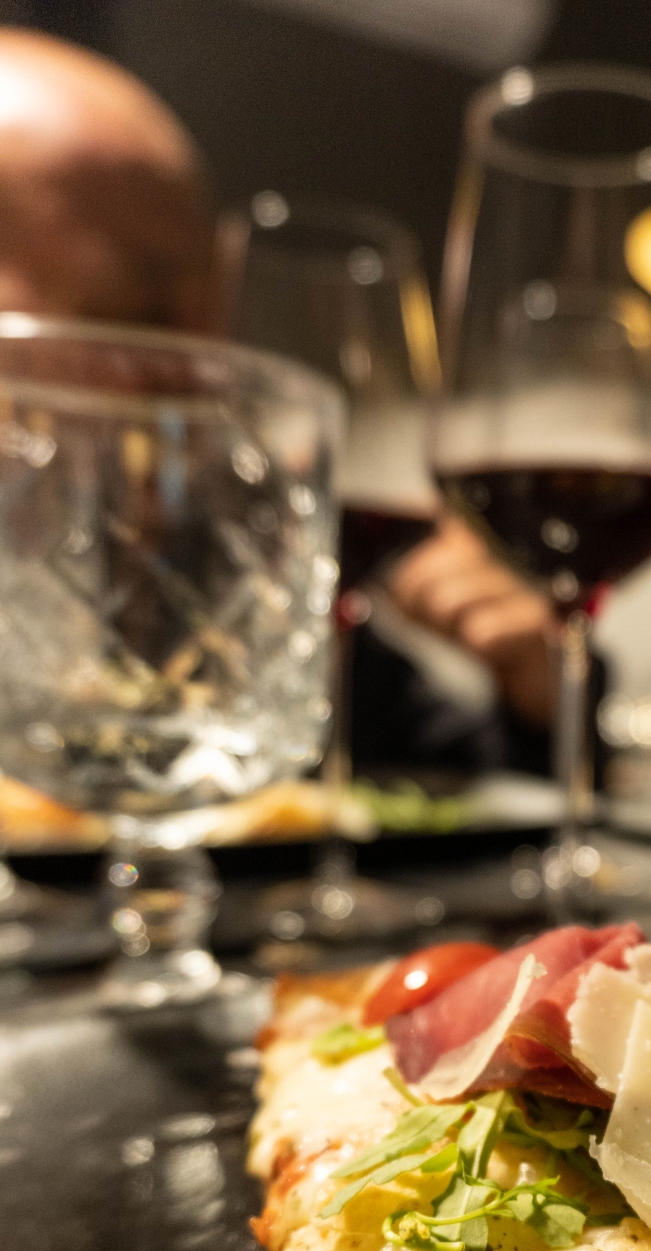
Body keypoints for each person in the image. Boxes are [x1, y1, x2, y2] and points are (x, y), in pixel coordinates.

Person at [0, 25, 558, 769]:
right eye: (134, 310)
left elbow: (423, 769)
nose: (201, 368)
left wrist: (539, 691)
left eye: (211, 311)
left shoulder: (216, 558)